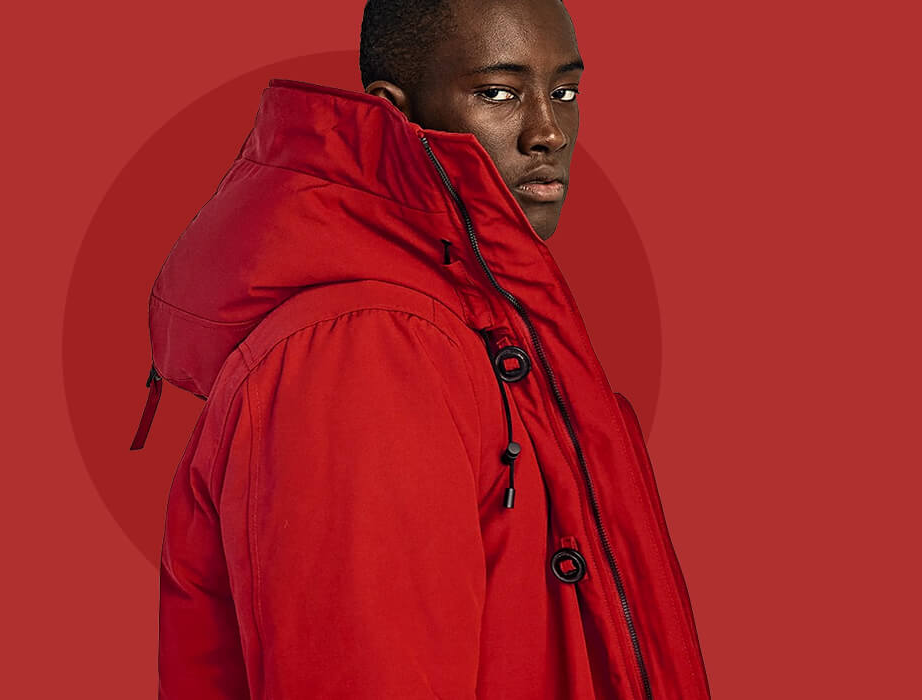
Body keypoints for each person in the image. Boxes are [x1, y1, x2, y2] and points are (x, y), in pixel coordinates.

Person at [136, 0, 712, 697]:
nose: (548, 131)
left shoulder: (476, 325)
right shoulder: (368, 350)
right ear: (394, 112)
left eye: (564, 92)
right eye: (497, 93)